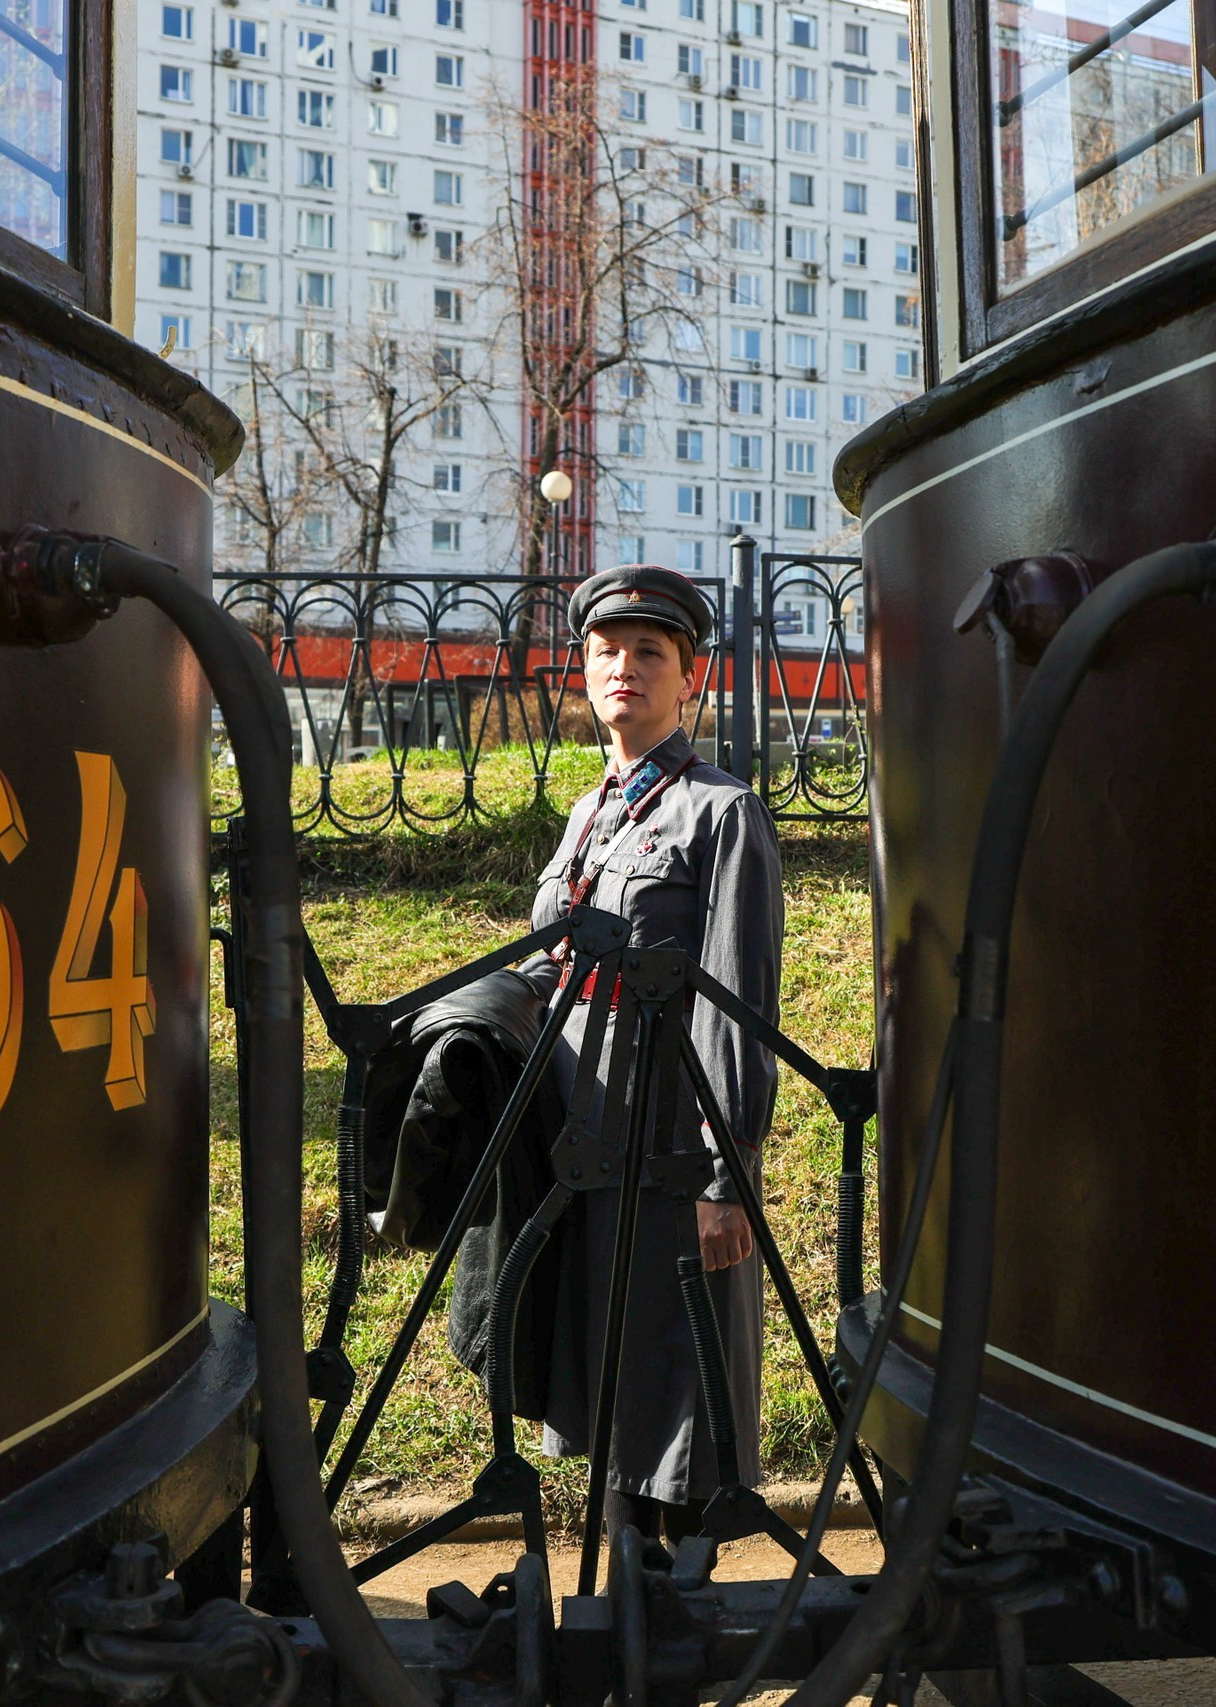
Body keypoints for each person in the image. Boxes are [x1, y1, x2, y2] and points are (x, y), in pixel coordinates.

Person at [522, 564, 783, 1545]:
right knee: (614, 1411)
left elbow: (737, 1005)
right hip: (589, 1156)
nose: (623, 667)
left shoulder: (720, 814)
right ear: (582, 672)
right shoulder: (588, 811)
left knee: (679, 1417)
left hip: (676, 1161)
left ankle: (670, 1632)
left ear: (689, 678)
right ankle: (623, 1624)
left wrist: (728, 1177)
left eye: (648, 652)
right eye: (605, 651)